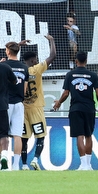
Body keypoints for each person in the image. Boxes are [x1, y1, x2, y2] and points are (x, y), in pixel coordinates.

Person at [53, 51, 98, 170]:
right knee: (88, 135)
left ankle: (83, 164)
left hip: (75, 108)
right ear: (86, 61)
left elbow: (66, 93)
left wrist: (59, 103)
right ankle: (89, 164)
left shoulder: (70, 75)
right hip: (89, 108)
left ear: (76, 61)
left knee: (79, 136)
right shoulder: (93, 75)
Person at [21, 35, 56, 170]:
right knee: (40, 136)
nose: (36, 60)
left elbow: (10, 54)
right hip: (36, 108)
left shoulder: (20, 70)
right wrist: (51, 41)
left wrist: (18, 45)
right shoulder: (37, 69)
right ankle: (35, 159)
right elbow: (52, 56)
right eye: (35, 59)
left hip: (23, 109)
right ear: (32, 59)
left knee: (23, 138)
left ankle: (23, 164)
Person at [3, 41, 30, 170]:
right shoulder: (24, 67)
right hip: (19, 103)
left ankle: (3, 162)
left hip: (5, 102)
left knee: (3, 134)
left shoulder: (3, 65)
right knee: (17, 135)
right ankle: (15, 165)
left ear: (8, 51)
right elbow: (25, 90)